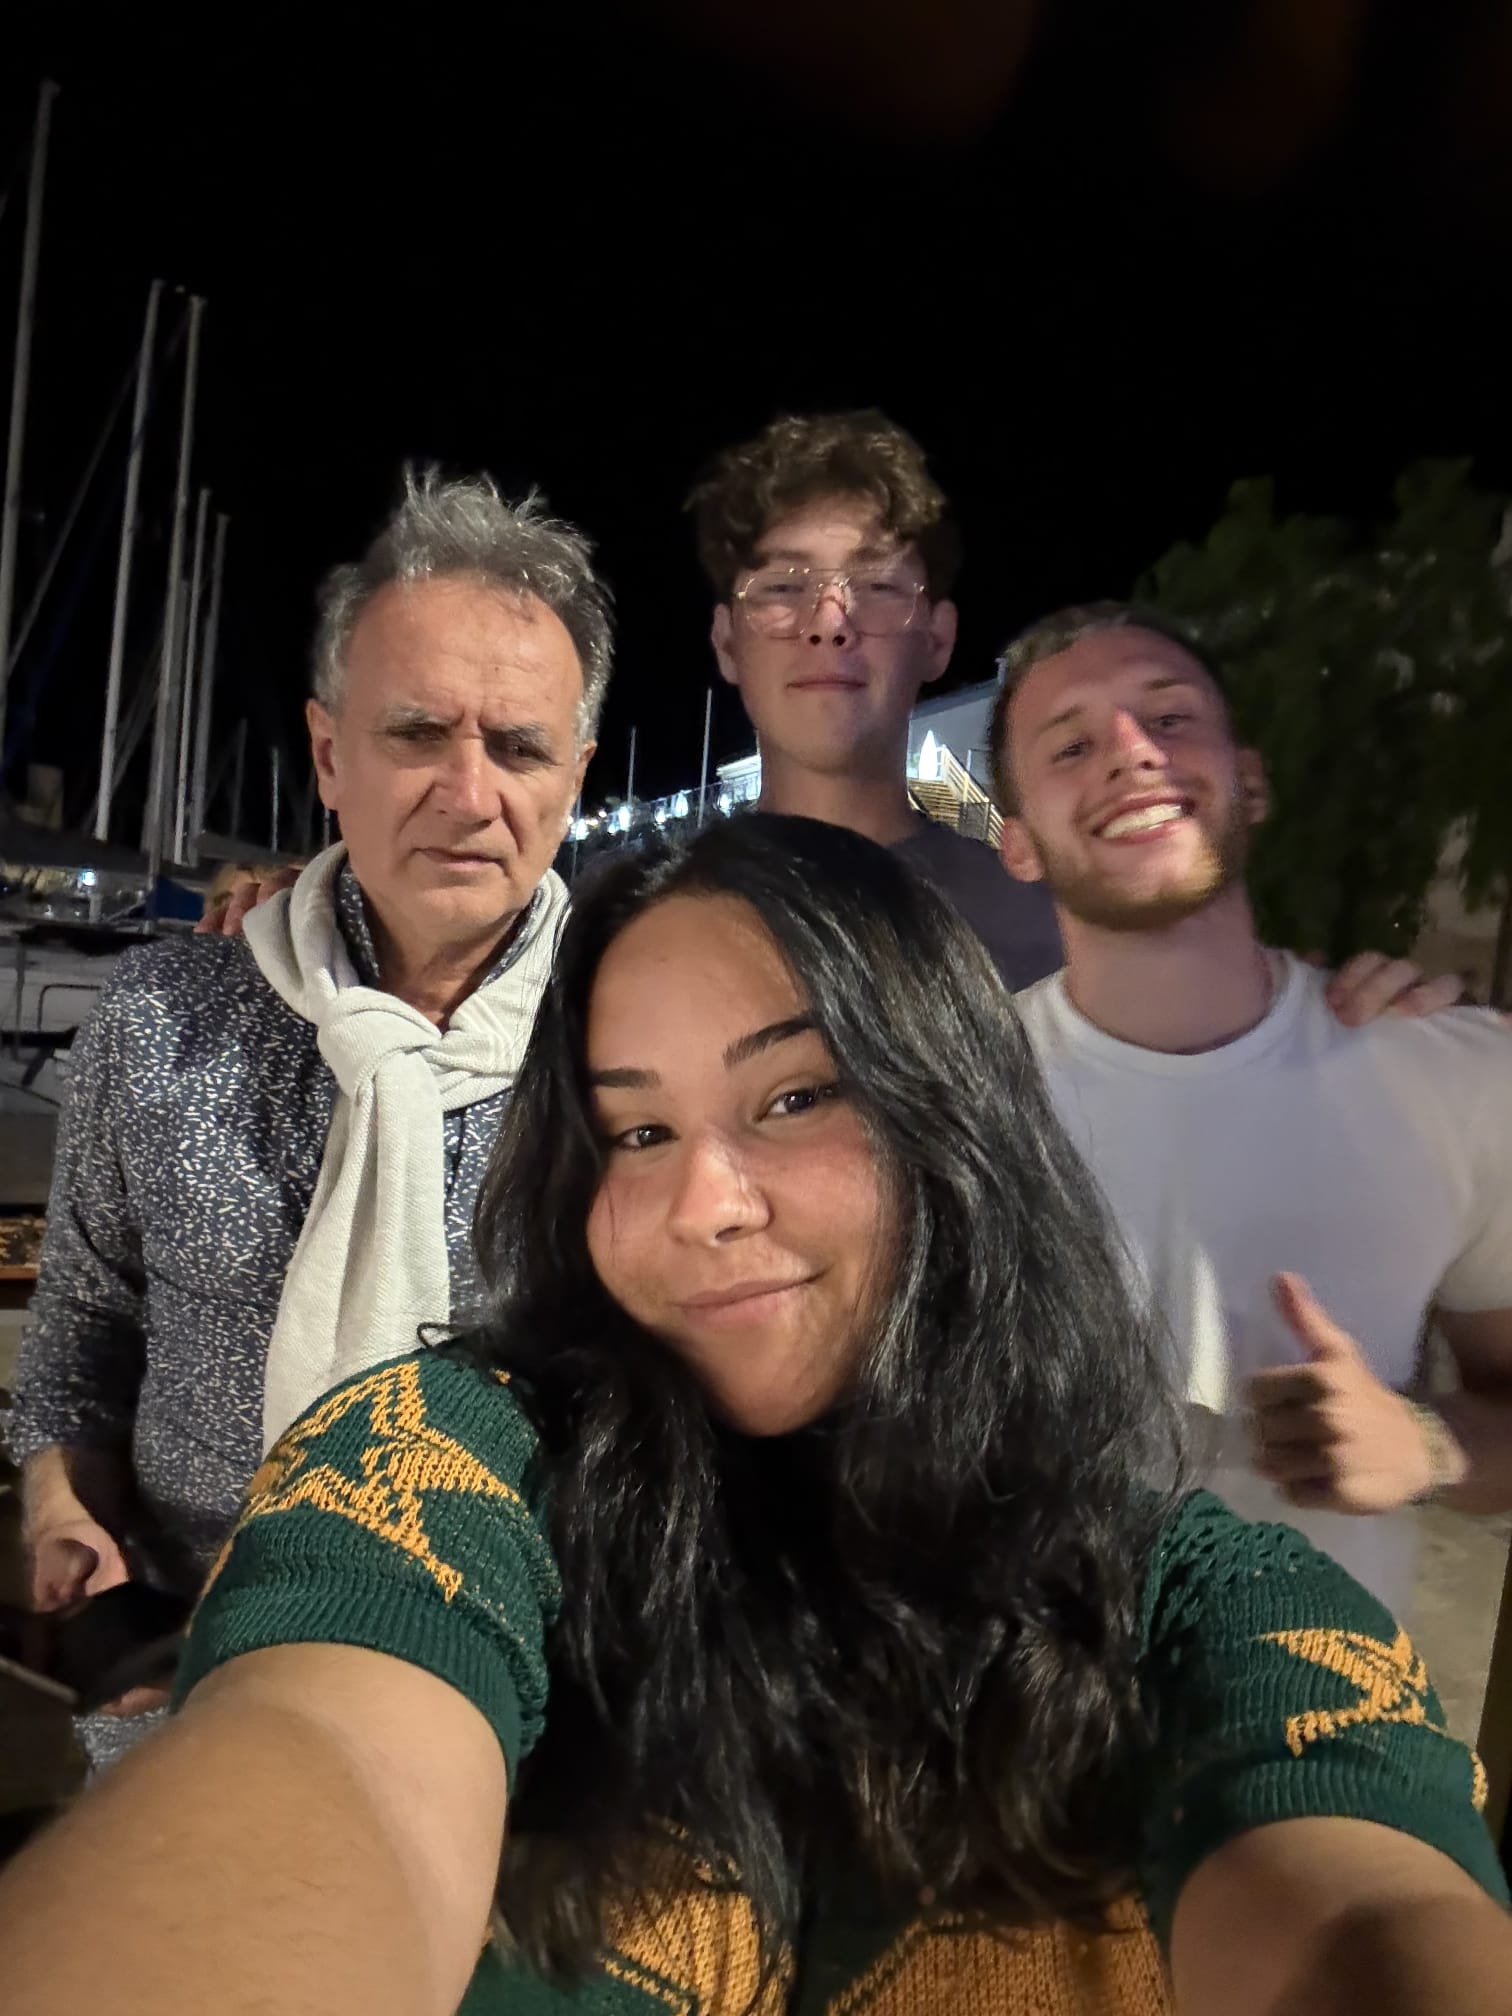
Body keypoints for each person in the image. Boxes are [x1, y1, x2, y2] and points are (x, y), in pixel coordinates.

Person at [0, 813, 1506, 2016]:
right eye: (637, 1130)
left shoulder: (1202, 1607)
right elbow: (326, 1757)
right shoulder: (450, 1465)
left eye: (794, 1099)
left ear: (953, 1116)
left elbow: (1360, 1910)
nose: (704, 1204)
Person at [5, 468, 611, 1768]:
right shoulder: (160, 1017)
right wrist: (61, 1509)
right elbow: (80, 1344)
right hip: (182, 1687)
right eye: (417, 735)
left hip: (537, 1721)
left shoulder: (637, 1049)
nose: (469, 792)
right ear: (331, 754)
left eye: (518, 747)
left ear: (574, 777)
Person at [989, 602, 1512, 1617]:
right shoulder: (953, 1096)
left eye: (1170, 718)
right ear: (1018, 846)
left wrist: (1429, 1446)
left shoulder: (1450, 1077)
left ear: (1252, 781)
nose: (1133, 751)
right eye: (1072, 745)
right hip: (1016, 1701)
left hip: (1329, 1706)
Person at [686, 408, 1066, 988]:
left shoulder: (1047, 940)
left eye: (878, 586)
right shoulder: (640, 927)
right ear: (727, 643)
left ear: (938, 638)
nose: (829, 622)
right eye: (783, 587)